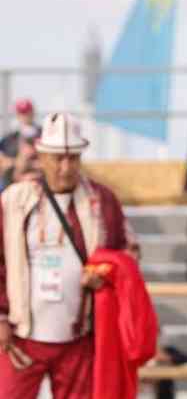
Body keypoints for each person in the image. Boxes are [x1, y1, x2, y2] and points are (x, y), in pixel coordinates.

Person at [0, 113, 131, 399]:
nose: (65, 167)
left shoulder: (102, 201)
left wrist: (104, 274)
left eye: (72, 158)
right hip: (21, 338)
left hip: (79, 335)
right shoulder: (15, 200)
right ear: (42, 156)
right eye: (57, 158)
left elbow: (126, 254)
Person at [0, 100, 40, 178]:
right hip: (15, 181)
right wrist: (18, 162)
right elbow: (3, 161)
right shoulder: (9, 138)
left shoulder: (45, 135)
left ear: (33, 113)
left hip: (40, 180)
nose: (25, 116)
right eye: (22, 113)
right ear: (18, 115)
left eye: (27, 112)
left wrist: (29, 164)